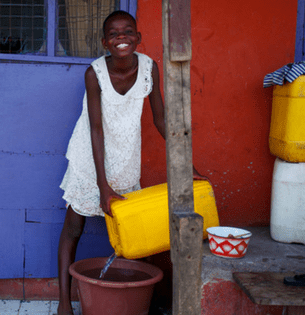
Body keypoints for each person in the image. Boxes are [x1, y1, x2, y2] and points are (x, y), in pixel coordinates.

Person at [57, 10, 205, 315]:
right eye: (113, 34)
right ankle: (62, 302)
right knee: (73, 227)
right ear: (104, 42)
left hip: (126, 159)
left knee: (134, 235)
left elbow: (161, 120)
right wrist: (102, 186)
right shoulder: (94, 73)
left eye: (127, 33)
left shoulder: (149, 68)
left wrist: (187, 164)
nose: (121, 38)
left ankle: (135, 301)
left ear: (138, 38)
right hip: (91, 158)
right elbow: (95, 130)